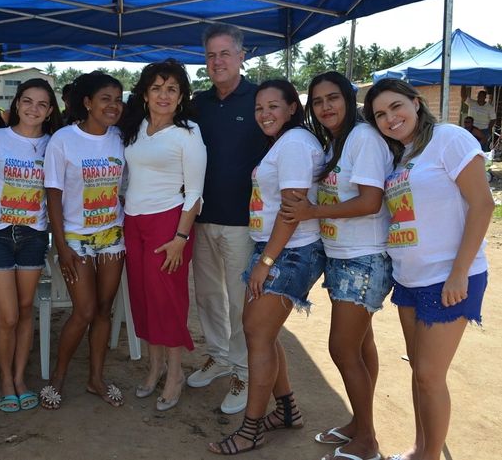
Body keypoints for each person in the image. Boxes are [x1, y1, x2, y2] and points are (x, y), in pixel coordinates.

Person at [364, 79, 493, 460]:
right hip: (410, 278)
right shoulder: (401, 157)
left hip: (449, 276)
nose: (390, 118)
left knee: (429, 375)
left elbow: (483, 205)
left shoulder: (449, 138)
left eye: (396, 107)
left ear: (417, 103)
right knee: (419, 372)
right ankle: (422, 448)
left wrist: (459, 272)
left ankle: (428, 456)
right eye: (380, 115)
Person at [208, 79, 325, 455]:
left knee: (256, 334)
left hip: (289, 252)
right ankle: (287, 410)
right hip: (280, 248)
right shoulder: (289, 142)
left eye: (274, 106)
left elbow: (292, 210)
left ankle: (251, 429)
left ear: (293, 107)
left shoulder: (293, 144)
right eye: (259, 108)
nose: (265, 114)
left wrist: (266, 262)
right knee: (266, 334)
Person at [280, 71, 393, 460]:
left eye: (333, 98)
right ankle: (361, 425)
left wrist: (313, 210)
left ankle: (367, 442)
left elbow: (370, 202)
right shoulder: (338, 143)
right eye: (317, 101)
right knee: (361, 345)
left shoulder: (362, 138)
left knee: (342, 349)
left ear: (348, 98)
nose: (325, 107)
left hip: (364, 257)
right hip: (344, 257)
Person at [188, 23, 269, 415]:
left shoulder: (260, 100)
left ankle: (243, 369)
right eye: (210, 55)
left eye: (224, 53)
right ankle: (219, 356)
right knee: (206, 296)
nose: (217, 61)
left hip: (243, 221)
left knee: (240, 302)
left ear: (241, 55)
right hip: (202, 217)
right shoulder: (197, 104)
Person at [119, 59, 206, 411]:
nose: (163, 95)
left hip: (169, 225)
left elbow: (195, 194)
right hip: (133, 222)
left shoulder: (188, 133)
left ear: (182, 94)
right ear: (144, 93)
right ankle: (153, 367)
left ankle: (175, 373)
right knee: (142, 299)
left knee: (167, 301)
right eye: (156, 88)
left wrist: (180, 238)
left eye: (171, 88)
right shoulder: (135, 127)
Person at [0, 78, 61, 413]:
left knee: (25, 310)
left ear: (50, 110)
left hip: (33, 235)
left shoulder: (53, 144)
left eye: (41, 104)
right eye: (27, 101)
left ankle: (21, 378)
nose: (33, 109)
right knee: (7, 315)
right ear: (15, 105)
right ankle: (5, 380)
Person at [42, 72, 126, 409]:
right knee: (85, 309)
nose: (113, 106)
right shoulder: (63, 140)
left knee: (104, 309)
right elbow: (53, 197)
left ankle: (95, 378)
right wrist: (62, 247)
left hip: (112, 237)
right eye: (105, 98)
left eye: (118, 99)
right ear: (88, 102)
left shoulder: (121, 138)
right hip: (76, 238)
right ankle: (58, 377)